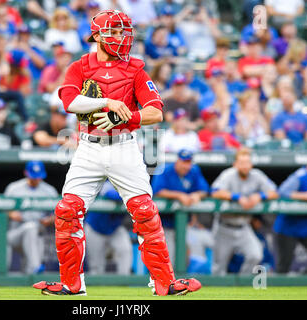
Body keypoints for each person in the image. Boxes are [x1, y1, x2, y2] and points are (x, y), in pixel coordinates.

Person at [33, 9, 201, 296]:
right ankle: (72, 284)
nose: (120, 37)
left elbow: (156, 112)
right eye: (112, 31)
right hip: (88, 147)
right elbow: (70, 102)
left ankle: (164, 283)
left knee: (145, 211)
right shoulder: (79, 66)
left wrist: (126, 117)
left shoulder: (136, 68)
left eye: (123, 31)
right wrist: (109, 103)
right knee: (67, 211)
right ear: (96, 35)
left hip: (123, 146)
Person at [211, 148, 279, 275]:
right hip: (225, 226)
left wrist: (260, 196)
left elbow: (275, 192)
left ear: (251, 164)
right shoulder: (228, 175)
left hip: (244, 227)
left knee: (255, 255)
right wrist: (237, 197)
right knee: (219, 266)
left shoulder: (257, 175)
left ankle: (242, 283)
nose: (244, 166)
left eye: (247, 162)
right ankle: (217, 293)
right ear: (235, 164)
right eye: (241, 163)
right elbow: (215, 192)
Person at [151, 149, 209, 266]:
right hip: (164, 224)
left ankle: (181, 283)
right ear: (177, 161)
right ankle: (165, 284)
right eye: (183, 162)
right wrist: (179, 195)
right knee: (167, 259)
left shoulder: (194, 171)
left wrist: (197, 194)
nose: (186, 165)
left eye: (188, 162)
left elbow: (205, 190)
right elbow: (157, 191)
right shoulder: (165, 170)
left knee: (186, 258)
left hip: (184, 225)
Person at [273, 150, 307, 274]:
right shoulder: (300, 176)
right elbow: (282, 192)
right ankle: (277, 291)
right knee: (283, 266)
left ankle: (306, 280)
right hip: (287, 227)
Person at [4, 161, 58, 274]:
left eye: (38, 177)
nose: (36, 179)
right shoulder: (14, 188)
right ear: (26, 173)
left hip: (37, 233)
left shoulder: (49, 191)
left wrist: (50, 219)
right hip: (15, 233)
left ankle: (33, 270)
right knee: (30, 227)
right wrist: (10, 213)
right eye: (33, 176)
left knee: (33, 230)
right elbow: (1, 209)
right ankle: (36, 267)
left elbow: (57, 214)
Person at [84, 180, 133, 275]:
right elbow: (113, 195)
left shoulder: (134, 185)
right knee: (96, 266)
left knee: (125, 250)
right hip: (95, 227)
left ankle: (125, 282)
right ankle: (97, 288)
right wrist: (131, 194)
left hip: (115, 227)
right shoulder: (108, 183)